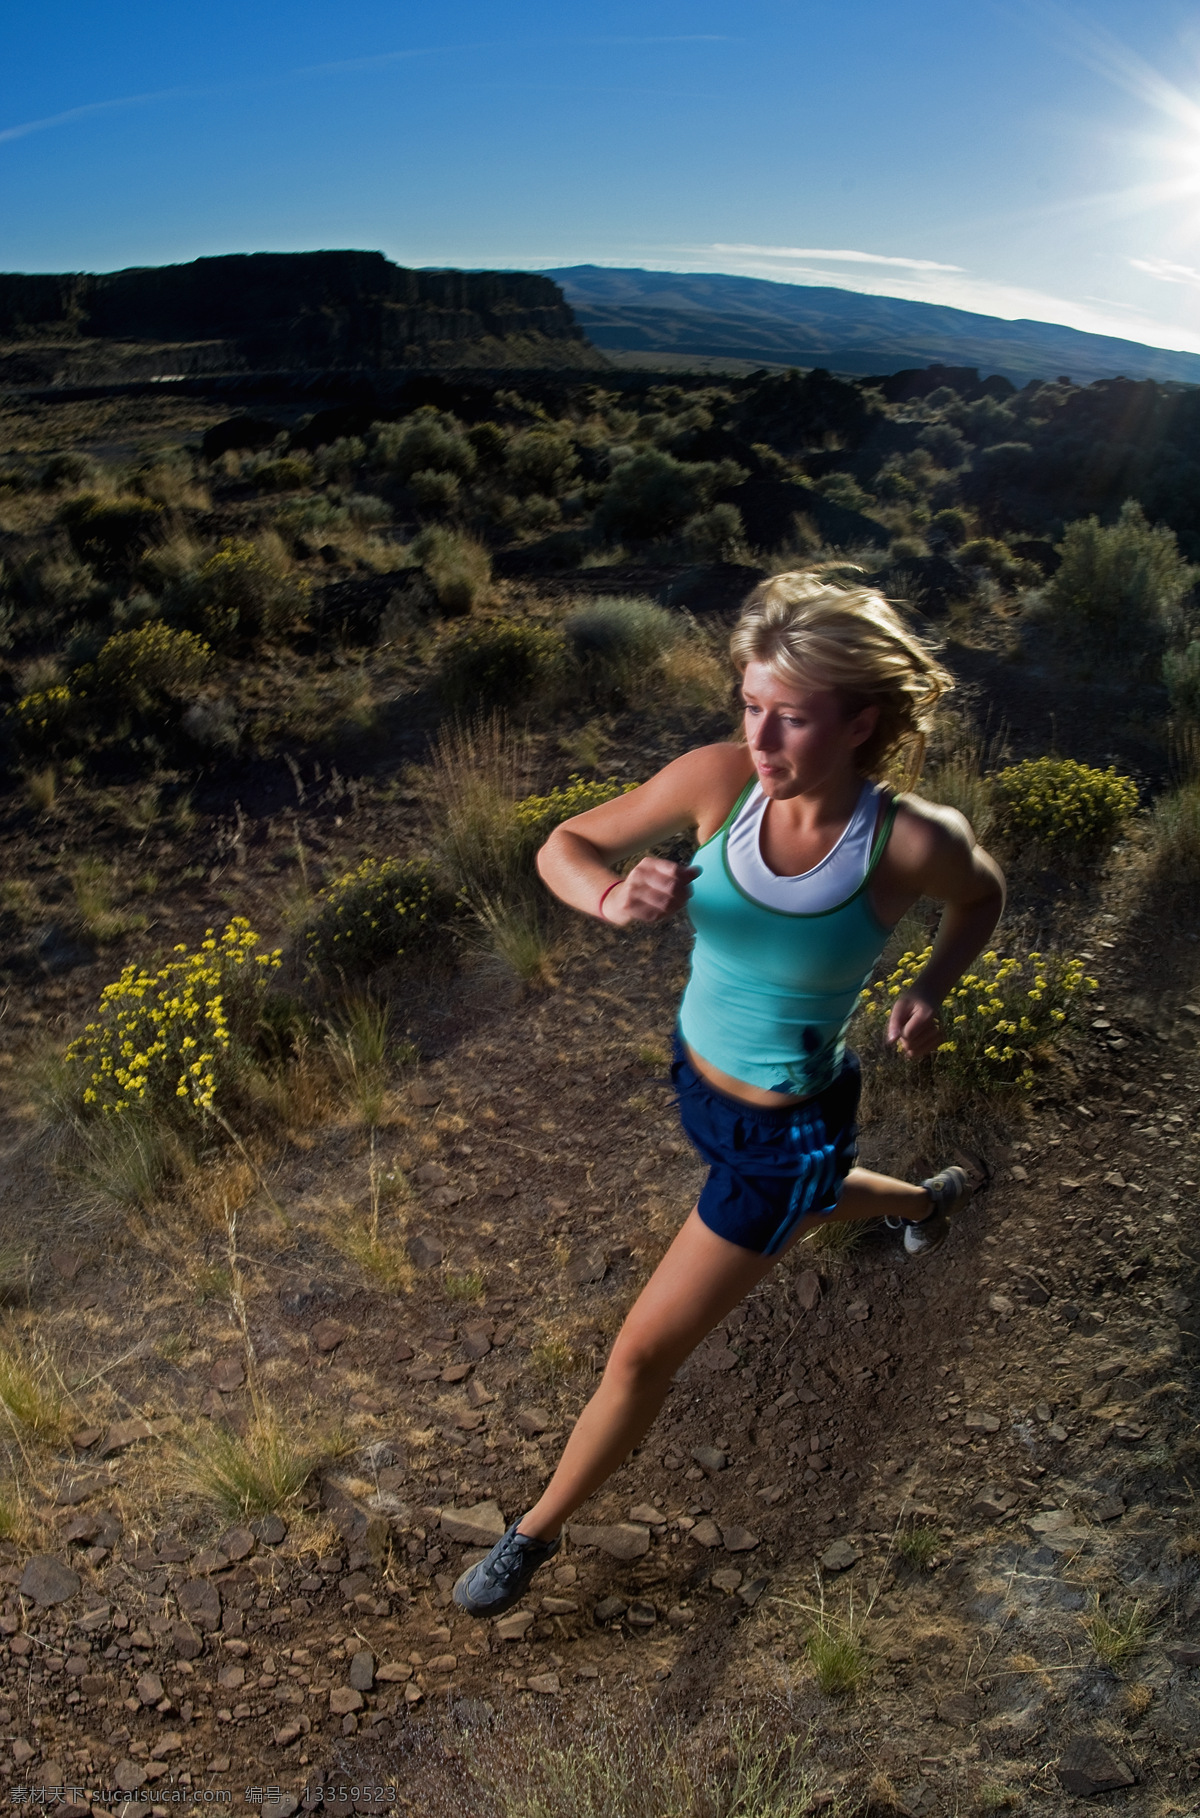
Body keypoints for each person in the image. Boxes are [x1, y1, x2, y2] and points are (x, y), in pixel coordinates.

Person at [454, 568, 1005, 1619]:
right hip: (698, 1082)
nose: (761, 740)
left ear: (861, 723)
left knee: (643, 1349)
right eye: (750, 706)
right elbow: (561, 846)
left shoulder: (907, 842)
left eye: (790, 719)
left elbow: (981, 898)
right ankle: (927, 1205)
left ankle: (532, 1535)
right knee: (812, 1200)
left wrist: (932, 987)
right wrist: (612, 895)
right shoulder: (716, 783)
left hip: (783, 1128)